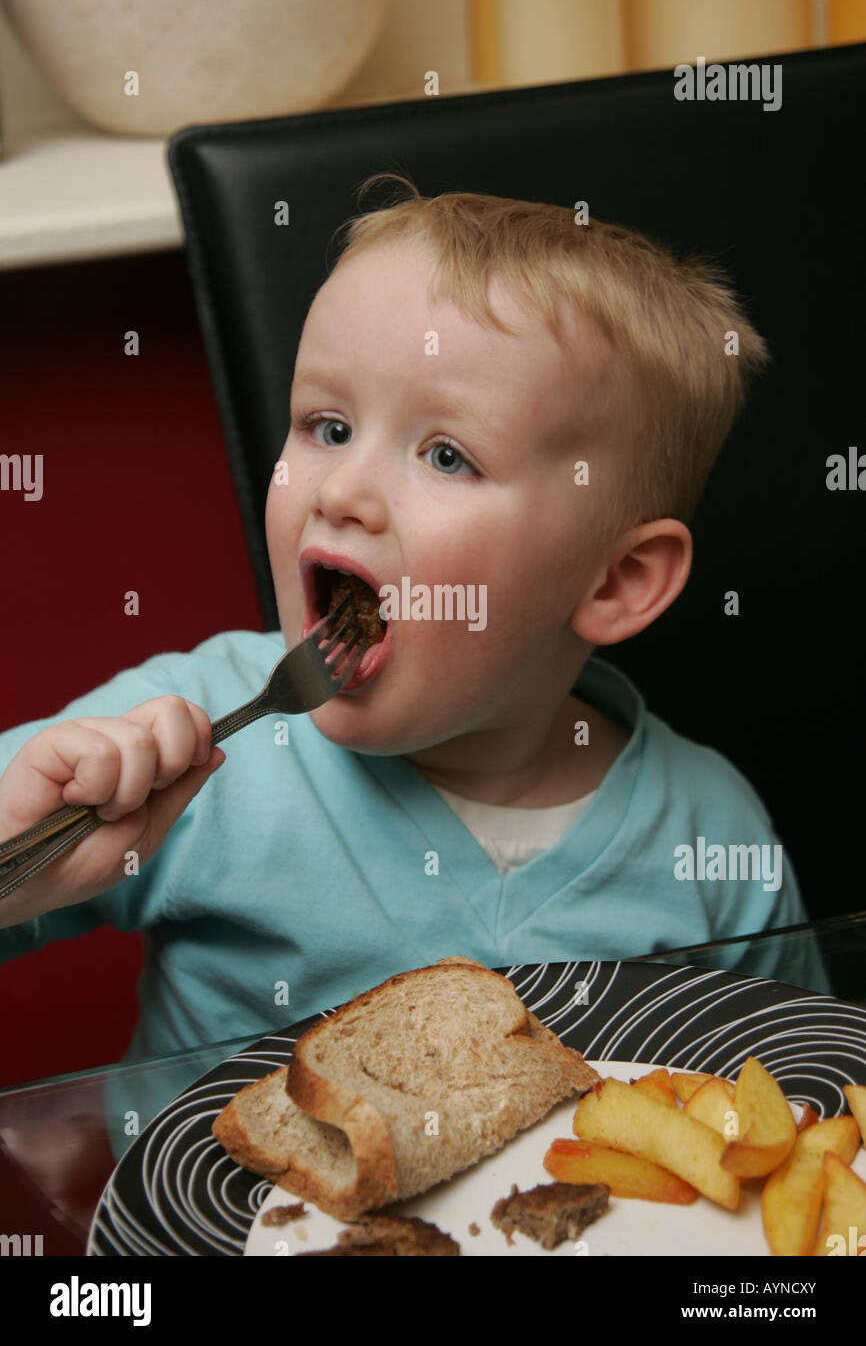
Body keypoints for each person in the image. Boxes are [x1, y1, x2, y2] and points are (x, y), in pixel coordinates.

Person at [0, 175, 829, 1083]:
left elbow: (798, 1106)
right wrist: (21, 856)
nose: (344, 491)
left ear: (618, 580)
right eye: (327, 425)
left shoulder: (711, 839)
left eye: (446, 455)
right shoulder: (179, 736)